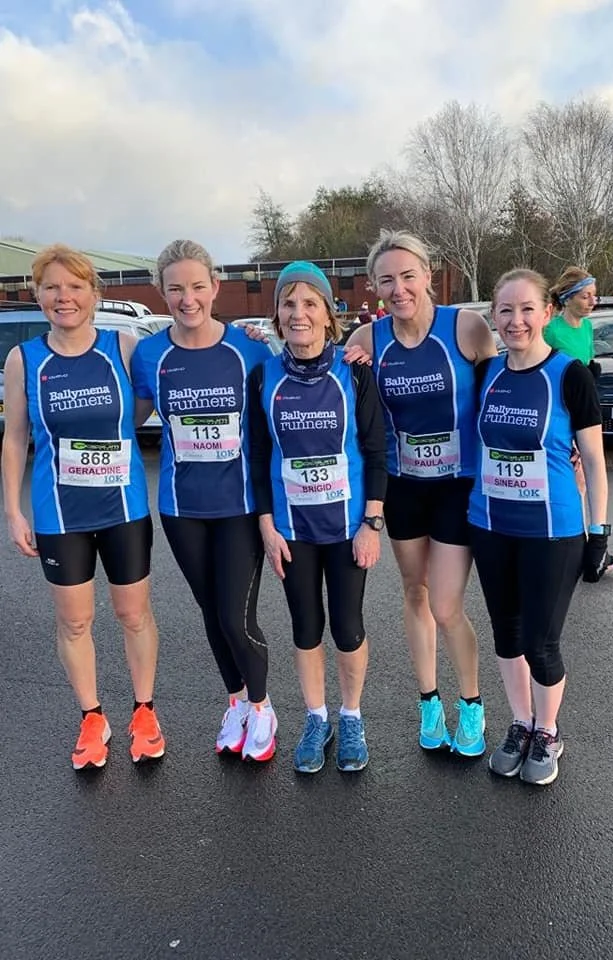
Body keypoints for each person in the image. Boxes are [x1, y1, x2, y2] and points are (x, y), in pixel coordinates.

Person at [1, 244, 164, 770]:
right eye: (51, 287)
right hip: (59, 512)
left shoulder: (125, 347)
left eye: (74, 286)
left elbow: (161, 389)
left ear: (94, 293)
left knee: (133, 613)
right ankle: (93, 716)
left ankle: (144, 710)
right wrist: (13, 511)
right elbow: (15, 437)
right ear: (37, 294)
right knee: (74, 621)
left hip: (123, 507)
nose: (63, 297)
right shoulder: (25, 359)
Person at [346, 230, 497, 757]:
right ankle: (429, 702)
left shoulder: (467, 327)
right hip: (403, 486)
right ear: (375, 286)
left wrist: (563, 435)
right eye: (387, 279)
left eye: (408, 276)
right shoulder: (368, 340)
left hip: (458, 486)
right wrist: (261, 342)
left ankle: (471, 704)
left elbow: (507, 388)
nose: (399, 288)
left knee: (447, 605)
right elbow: (324, 382)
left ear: (428, 275)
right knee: (415, 593)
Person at [131, 240, 277, 762]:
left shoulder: (249, 350)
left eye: (197, 286)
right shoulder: (150, 354)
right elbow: (125, 419)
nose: (187, 298)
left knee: (237, 616)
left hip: (239, 506)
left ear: (215, 287)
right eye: (175, 288)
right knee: (211, 613)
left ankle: (262, 707)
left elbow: (290, 401)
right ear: (161, 292)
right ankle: (235, 702)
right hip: (181, 507)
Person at [469, 268, 613, 786]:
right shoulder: (485, 372)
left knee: (541, 641)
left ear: (547, 313)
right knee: (506, 633)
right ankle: (521, 722)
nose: (516, 320)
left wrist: (599, 531)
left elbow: (593, 460)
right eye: (505, 310)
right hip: (490, 524)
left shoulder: (570, 375)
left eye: (527, 309)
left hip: (553, 530)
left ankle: (548, 731)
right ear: (493, 316)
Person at [249, 261, 387, 774]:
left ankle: (351, 717)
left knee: (347, 627)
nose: (298, 313)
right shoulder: (264, 376)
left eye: (310, 303)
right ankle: (316, 717)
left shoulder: (355, 372)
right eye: (288, 304)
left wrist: (372, 523)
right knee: (306, 626)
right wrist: (266, 525)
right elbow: (258, 455)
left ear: (329, 315)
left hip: (348, 528)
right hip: (292, 529)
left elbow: (377, 451)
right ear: (277, 316)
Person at [547, 267, 613, 573]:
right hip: (560, 413)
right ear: (567, 298)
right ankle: (575, 547)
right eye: (586, 296)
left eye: (594, 295)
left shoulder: (588, 328)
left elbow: (587, 365)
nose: (593, 301)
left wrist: (591, 373)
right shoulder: (551, 331)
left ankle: (588, 545)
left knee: (587, 476)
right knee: (574, 478)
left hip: (585, 411)